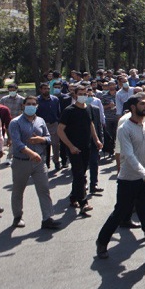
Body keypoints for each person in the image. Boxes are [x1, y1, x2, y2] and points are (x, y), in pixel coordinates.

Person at [96, 93, 145, 263]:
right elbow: (129, 156)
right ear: (132, 107)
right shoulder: (124, 128)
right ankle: (102, 242)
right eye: (142, 104)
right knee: (120, 213)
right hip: (128, 180)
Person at [8, 95, 61, 229]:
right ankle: (17, 217)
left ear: (37, 106)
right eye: (28, 104)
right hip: (21, 161)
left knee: (44, 189)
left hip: (39, 162)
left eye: (33, 104)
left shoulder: (40, 121)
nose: (31, 106)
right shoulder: (15, 122)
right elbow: (17, 143)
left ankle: (47, 218)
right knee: (18, 190)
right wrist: (31, 153)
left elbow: (48, 137)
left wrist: (40, 139)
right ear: (23, 106)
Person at [58, 86, 103, 217]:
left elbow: (91, 124)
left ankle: (73, 197)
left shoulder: (88, 108)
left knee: (81, 173)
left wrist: (96, 140)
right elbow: (60, 130)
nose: (83, 96)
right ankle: (83, 203)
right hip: (74, 148)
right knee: (79, 175)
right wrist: (71, 146)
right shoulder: (69, 110)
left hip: (86, 146)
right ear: (75, 95)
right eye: (81, 94)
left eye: (85, 94)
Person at [35, 83, 62, 170]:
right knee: (44, 145)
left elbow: (58, 112)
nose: (46, 90)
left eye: (48, 88)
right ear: (40, 90)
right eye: (44, 89)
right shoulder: (37, 100)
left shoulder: (55, 99)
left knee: (56, 145)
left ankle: (56, 161)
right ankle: (45, 163)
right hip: (42, 125)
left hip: (54, 124)